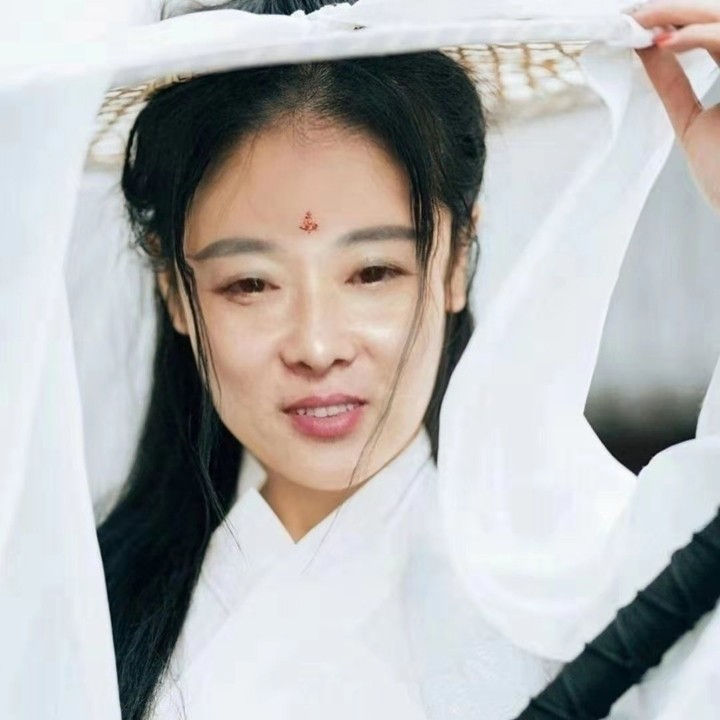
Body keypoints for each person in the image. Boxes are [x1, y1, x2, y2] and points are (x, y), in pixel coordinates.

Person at [92, 2, 720, 719]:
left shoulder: (588, 586)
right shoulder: (78, 614)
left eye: (373, 273)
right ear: (175, 290)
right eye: (251, 284)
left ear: (455, 260)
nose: (317, 347)